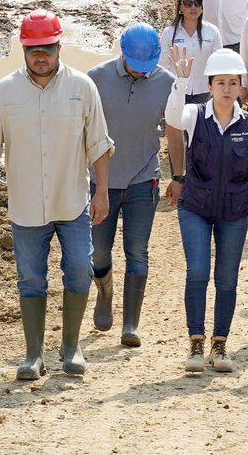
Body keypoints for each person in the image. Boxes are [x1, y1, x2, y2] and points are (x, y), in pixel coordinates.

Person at [0, 10, 113, 380]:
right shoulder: (5, 92)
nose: (41, 56)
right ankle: (34, 355)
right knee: (31, 279)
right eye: (34, 49)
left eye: (47, 48)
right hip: (27, 205)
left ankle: (71, 347)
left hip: (72, 200)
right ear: (23, 49)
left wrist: (102, 192)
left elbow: (98, 144)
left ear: (59, 45)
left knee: (79, 271)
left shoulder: (82, 88)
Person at [165, 47, 248, 373]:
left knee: (226, 279)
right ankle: (196, 340)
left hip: (234, 211)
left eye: (232, 82)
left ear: (241, 87)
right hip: (195, 206)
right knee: (198, 271)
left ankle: (220, 345)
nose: (226, 88)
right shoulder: (194, 115)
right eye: (220, 82)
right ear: (210, 86)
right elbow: (171, 118)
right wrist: (180, 82)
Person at [88, 25, 173, 348]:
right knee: (98, 251)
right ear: (121, 52)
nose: (141, 71)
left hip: (143, 178)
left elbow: (177, 127)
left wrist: (179, 175)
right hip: (102, 181)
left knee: (137, 251)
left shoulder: (166, 82)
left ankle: (131, 324)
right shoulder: (95, 79)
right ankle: (104, 292)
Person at [161, 0, 222, 104]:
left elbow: (218, 65)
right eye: (188, 3)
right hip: (177, 90)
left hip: (204, 92)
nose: (193, 7)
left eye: (197, 3)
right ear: (180, 7)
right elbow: (162, 66)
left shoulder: (212, 32)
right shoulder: (169, 33)